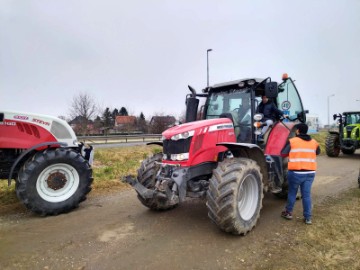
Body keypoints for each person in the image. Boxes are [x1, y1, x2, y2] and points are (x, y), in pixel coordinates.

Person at [280, 123, 321, 225]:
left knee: (292, 193)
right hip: (310, 173)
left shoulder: (292, 141)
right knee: (306, 195)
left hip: (295, 172)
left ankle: (288, 212)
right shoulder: (314, 142)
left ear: (297, 131)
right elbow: (317, 152)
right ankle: (308, 218)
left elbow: (283, 153)